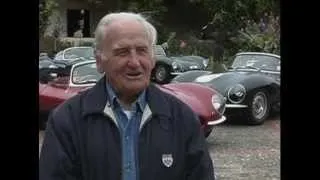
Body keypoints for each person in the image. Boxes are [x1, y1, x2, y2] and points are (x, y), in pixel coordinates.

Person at [39, 12, 215, 180]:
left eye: (142, 51)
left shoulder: (182, 118)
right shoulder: (67, 120)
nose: (135, 62)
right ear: (99, 61)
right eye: (122, 52)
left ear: (153, 59)